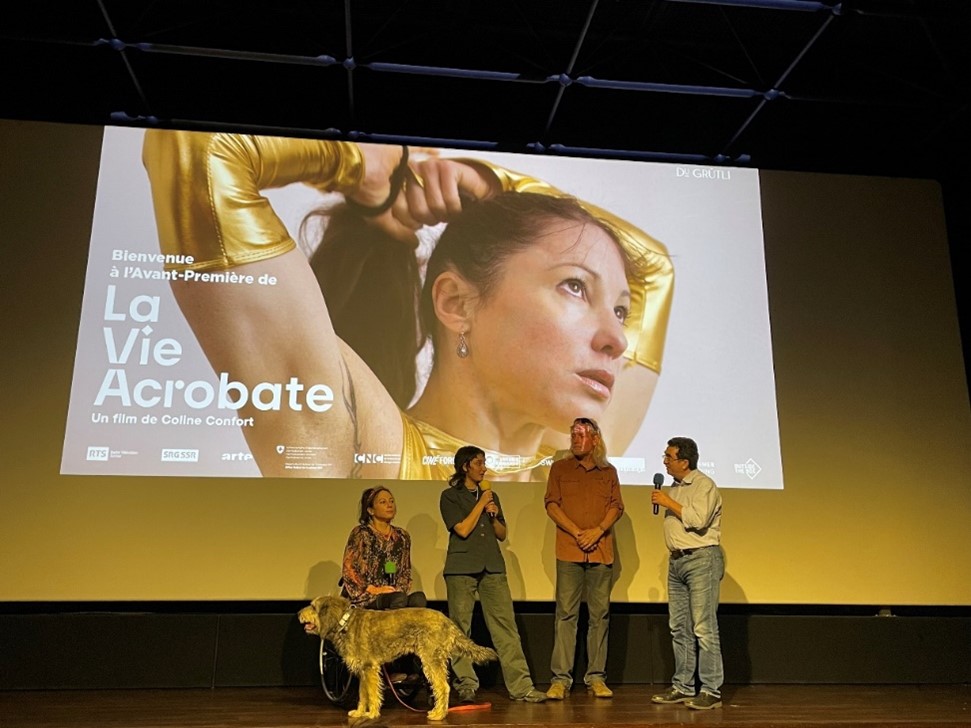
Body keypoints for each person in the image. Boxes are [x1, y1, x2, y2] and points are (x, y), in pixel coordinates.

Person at [142, 130, 674, 481]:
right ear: (456, 302)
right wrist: (361, 167)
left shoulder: (570, 465)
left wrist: (490, 185)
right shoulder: (360, 449)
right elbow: (200, 144)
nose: (618, 340)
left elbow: (652, 268)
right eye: (576, 287)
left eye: (622, 311)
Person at [439, 445, 547, 704]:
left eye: (484, 462)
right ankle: (465, 683)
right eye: (478, 463)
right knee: (459, 629)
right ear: (465, 466)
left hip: (492, 567)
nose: (484, 467)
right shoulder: (450, 496)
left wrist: (494, 515)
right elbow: (462, 529)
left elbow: (501, 534)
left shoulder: (491, 497)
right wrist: (481, 504)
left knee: (506, 628)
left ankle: (522, 687)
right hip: (461, 569)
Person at [543, 417, 623, 699]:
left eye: (581, 434)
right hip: (569, 549)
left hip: (601, 552)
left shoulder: (608, 471)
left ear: (595, 439)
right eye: (573, 434)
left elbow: (616, 507)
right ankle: (560, 680)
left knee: (599, 616)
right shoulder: (560, 468)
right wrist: (578, 532)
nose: (575, 439)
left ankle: (596, 678)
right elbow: (551, 504)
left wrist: (598, 531)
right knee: (566, 614)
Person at [650, 437, 724, 711]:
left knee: (703, 627)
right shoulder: (675, 487)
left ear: (684, 461)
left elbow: (698, 520)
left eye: (669, 456)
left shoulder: (703, 485)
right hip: (677, 562)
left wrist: (668, 502)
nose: (665, 460)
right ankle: (683, 685)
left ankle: (711, 690)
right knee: (679, 627)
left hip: (701, 560)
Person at [341, 486, 427, 610]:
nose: (389, 505)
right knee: (398, 599)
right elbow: (349, 570)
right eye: (383, 502)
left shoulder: (402, 536)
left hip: (393, 593)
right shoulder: (361, 533)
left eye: (391, 501)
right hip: (367, 594)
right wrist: (373, 589)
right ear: (370, 510)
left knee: (418, 599)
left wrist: (396, 589)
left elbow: (405, 571)